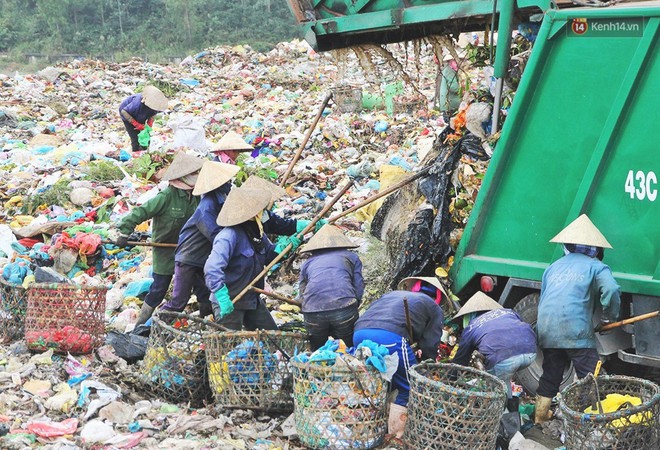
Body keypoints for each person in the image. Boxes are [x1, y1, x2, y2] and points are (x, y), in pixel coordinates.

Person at [535, 214, 621, 424]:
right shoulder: (596, 266)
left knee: (551, 374)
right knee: (591, 378)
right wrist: (609, 318)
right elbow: (610, 289)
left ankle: (539, 417)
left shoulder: (552, 267)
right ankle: (587, 422)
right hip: (575, 331)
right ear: (596, 249)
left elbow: (545, 297)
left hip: (545, 328)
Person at [114, 151, 205, 326]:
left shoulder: (196, 196)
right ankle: (140, 325)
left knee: (202, 287)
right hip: (166, 251)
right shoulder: (166, 197)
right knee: (158, 289)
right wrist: (125, 232)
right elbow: (140, 212)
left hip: (189, 251)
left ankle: (205, 323)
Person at [353, 276, 445, 438]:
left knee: (377, 382)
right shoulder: (434, 307)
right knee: (412, 387)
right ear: (438, 297)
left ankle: (372, 427)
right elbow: (431, 344)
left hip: (359, 334)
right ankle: (395, 437)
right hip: (389, 337)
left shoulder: (391, 295)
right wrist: (426, 369)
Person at [204, 186, 298, 329]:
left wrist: (285, 247)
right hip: (231, 299)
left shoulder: (256, 232)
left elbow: (269, 255)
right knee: (229, 344)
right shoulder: (228, 236)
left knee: (271, 337)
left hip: (250, 297)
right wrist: (222, 297)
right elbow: (212, 268)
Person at [159, 160, 240, 318]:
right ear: (218, 185)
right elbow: (216, 235)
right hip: (189, 257)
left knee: (205, 296)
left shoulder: (219, 201)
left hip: (201, 258)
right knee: (179, 300)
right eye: (227, 182)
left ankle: (206, 327)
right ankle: (150, 328)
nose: (230, 185)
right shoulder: (207, 206)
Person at [451, 292, 537, 399]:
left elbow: (460, 360)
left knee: (497, 392)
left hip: (504, 358)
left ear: (469, 315)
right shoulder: (508, 312)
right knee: (505, 381)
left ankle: (505, 413)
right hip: (531, 352)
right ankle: (512, 408)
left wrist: (451, 379)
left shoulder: (472, 326)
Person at [298, 224, 364, 350]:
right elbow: (359, 287)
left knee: (318, 352)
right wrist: (354, 305)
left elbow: (302, 292)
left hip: (312, 312)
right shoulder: (351, 257)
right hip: (343, 308)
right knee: (347, 349)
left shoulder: (307, 263)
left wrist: (306, 306)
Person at [119, 86, 168, 152]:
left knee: (146, 137)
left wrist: (150, 122)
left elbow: (154, 113)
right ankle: (135, 153)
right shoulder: (137, 104)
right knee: (135, 137)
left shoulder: (156, 105)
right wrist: (136, 124)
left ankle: (145, 151)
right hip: (128, 115)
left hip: (141, 115)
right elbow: (124, 111)